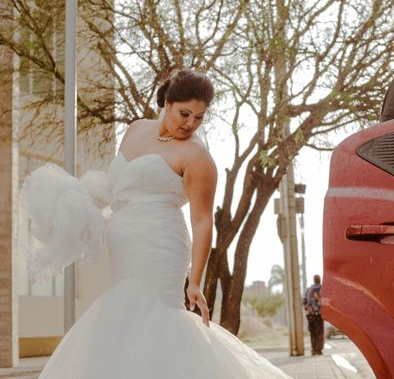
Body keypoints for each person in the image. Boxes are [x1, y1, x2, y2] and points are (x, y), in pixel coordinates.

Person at [20, 70, 291, 378]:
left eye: (199, 117)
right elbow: (118, 186)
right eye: (184, 113)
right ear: (166, 102)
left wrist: (196, 282)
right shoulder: (136, 130)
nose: (190, 123)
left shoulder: (197, 157)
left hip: (160, 244)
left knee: (154, 318)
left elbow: (203, 222)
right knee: (126, 324)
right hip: (123, 245)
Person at [303, 274, 324, 355]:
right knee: (319, 332)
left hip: (310, 314)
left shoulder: (308, 289)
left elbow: (304, 300)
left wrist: (307, 307)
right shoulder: (322, 289)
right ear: (319, 279)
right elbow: (323, 301)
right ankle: (318, 349)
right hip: (318, 314)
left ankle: (314, 349)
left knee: (312, 332)